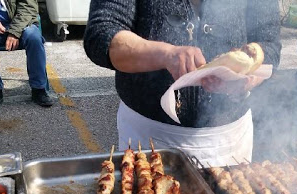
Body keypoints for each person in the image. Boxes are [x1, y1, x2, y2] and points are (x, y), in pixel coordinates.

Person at [84, 0, 281, 166]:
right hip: (149, 136)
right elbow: (102, 34)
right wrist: (166, 55)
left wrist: (247, 80)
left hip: (229, 140)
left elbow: (269, 43)